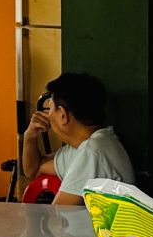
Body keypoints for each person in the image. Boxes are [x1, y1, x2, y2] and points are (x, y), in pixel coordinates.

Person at [18, 70, 133, 204]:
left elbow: (58, 212)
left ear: (62, 115)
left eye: (51, 108)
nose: (48, 115)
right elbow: (33, 170)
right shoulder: (88, 144)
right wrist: (30, 137)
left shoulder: (92, 152)